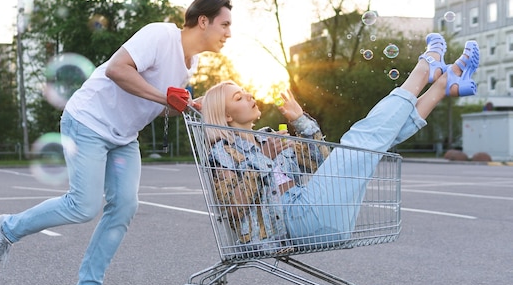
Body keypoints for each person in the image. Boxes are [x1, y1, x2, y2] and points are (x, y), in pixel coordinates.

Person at [0, 0, 233, 285]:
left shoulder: (190, 64)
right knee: (83, 205)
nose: (228, 33)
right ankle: (8, 228)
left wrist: (185, 107)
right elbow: (117, 70)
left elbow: (155, 106)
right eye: (224, 25)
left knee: (125, 206)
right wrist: (164, 98)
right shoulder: (160, 35)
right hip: (88, 121)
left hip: (124, 137)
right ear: (203, 21)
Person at [201, 33, 479, 249]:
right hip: (295, 222)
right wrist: (265, 161)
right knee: (361, 140)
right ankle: (425, 70)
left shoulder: (271, 138)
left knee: (368, 145)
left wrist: (300, 120)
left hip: (318, 213)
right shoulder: (222, 153)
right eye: (239, 98)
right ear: (225, 116)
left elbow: (322, 160)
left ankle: (442, 85)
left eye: (246, 91)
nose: (249, 95)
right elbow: (233, 208)